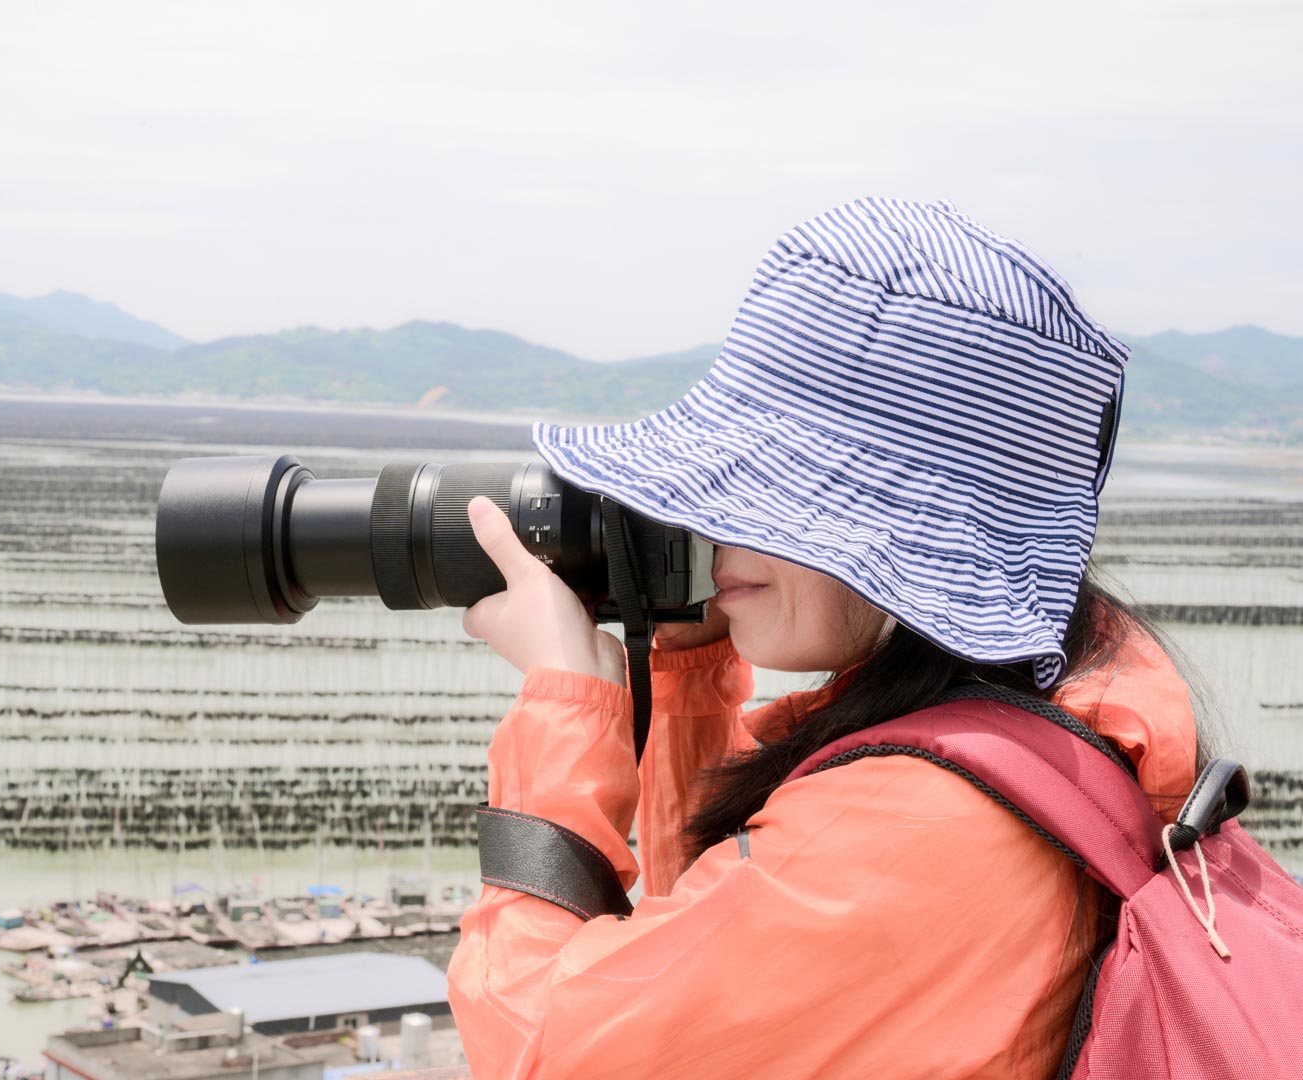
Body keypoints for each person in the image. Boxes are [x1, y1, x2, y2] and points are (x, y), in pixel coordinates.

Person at [445, 197, 1201, 1079]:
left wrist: (567, 704)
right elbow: (716, 943)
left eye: (763, 492)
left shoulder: (905, 822)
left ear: (899, 539)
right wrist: (688, 667)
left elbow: (545, 1050)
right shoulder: (1052, 715)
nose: (716, 525)